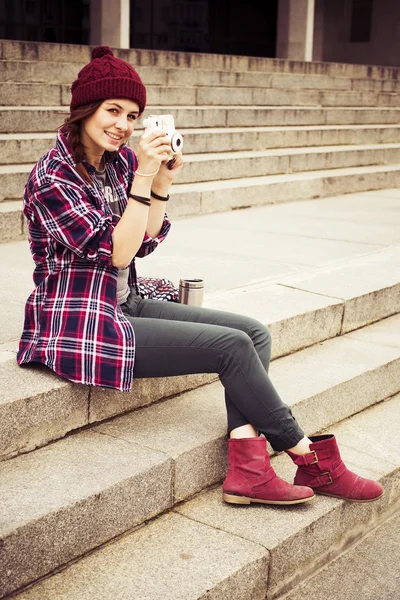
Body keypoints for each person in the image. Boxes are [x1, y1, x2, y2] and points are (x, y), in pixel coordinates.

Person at [18, 46, 383, 506]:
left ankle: (248, 468)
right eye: (113, 111)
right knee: (230, 347)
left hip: (124, 301)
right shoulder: (52, 177)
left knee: (254, 333)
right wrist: (143, 176)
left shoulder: (119, 164)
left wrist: (161, 183)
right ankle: (308, 456)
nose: (124, 126)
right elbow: (118, 252)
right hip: (79, 317)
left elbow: (146, 239)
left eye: (133, 115)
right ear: (84, 111)